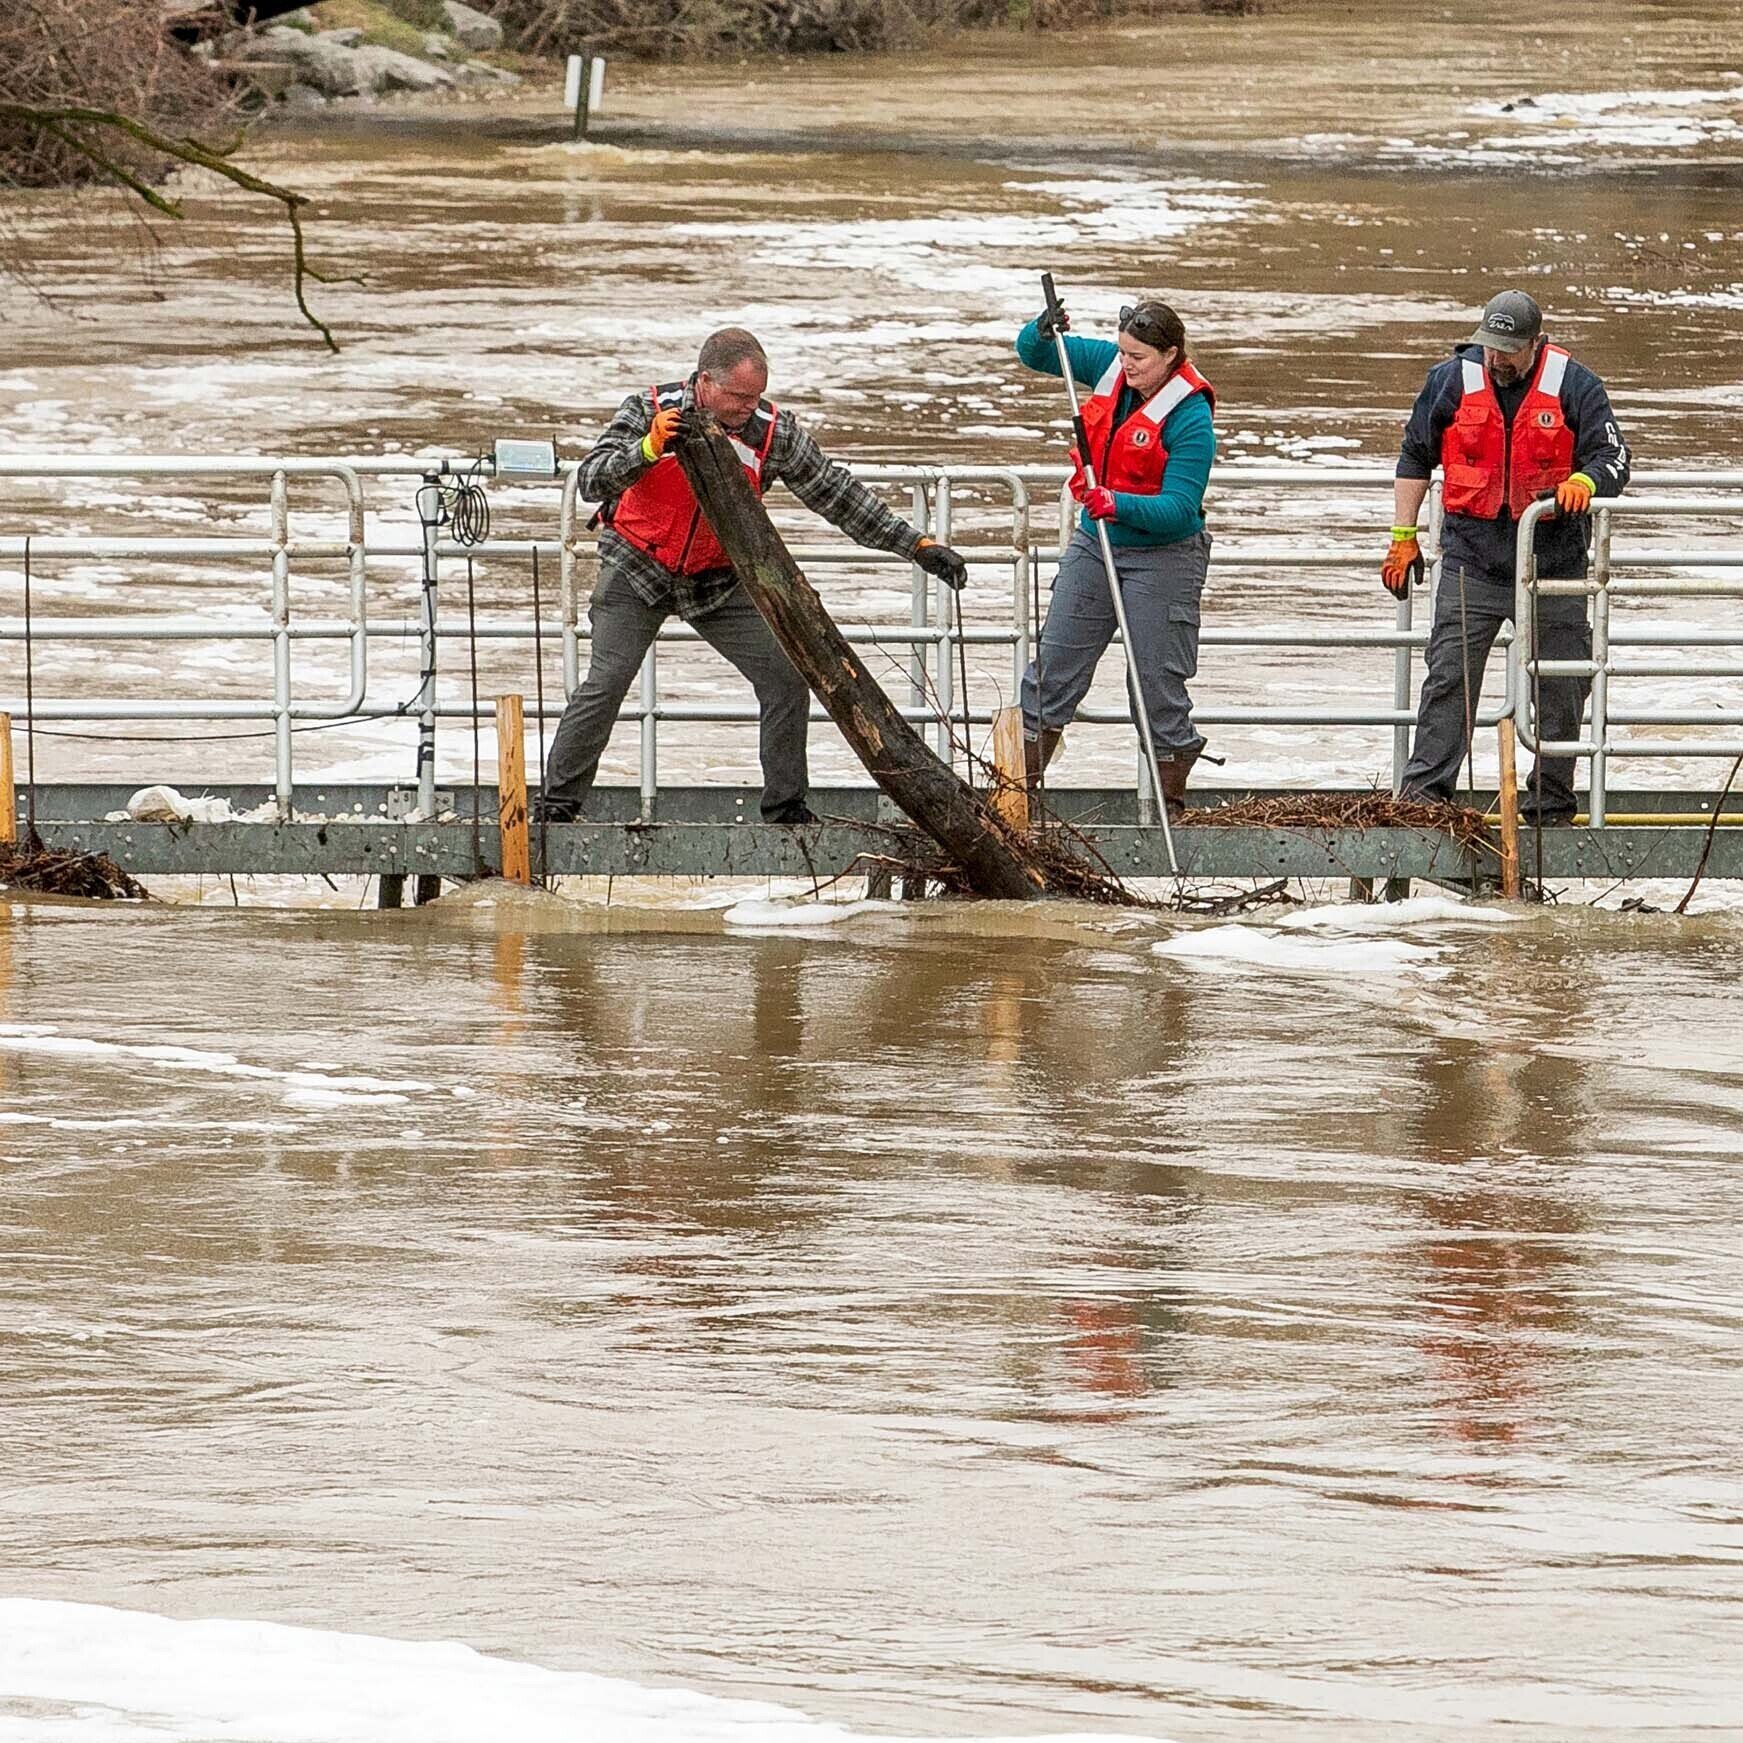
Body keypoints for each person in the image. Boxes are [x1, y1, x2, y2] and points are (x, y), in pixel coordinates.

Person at [540, 327, 969, 825]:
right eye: (739, 397)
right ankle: (556, 806)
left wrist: (915, 545)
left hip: (720, 579)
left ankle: (785, 808)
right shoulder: (646, 408)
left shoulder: (773, 433)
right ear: (704, 381)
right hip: (636, 569)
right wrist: (648, 449)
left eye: (757, 396)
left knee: (787, 679)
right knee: (607, 681)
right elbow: (592, 480)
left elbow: (837, 494)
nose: (749, 407)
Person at [1385, 290, 1631, 822]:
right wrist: (1404, 535)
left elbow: (1615, 458)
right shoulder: (1450, 381)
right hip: (1471, 560)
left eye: (1509, 350)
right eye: (1490, 347)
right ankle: (1424, 800)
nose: (1497, 359)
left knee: (1562, 685)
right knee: (1449, 678)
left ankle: (1549, 802)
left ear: (1536, 344)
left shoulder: (1577, 386)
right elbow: (1415, 457)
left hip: (1553, 563)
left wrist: (1586, 481)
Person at [1013, 296, 1216, 815]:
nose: (1127, 365)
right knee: (1054, 665)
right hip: (1094, 545)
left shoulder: (1190, 416)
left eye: (1139, 358)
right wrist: (1042, 331)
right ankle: (1014, 795)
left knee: (1154, 681)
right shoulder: (1109, 364)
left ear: (1171, 356)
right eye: (1124, 352)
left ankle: (1170, 788)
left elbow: (1178, 507)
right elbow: (1035, 354)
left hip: (1163, 557)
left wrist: (1116, 501)